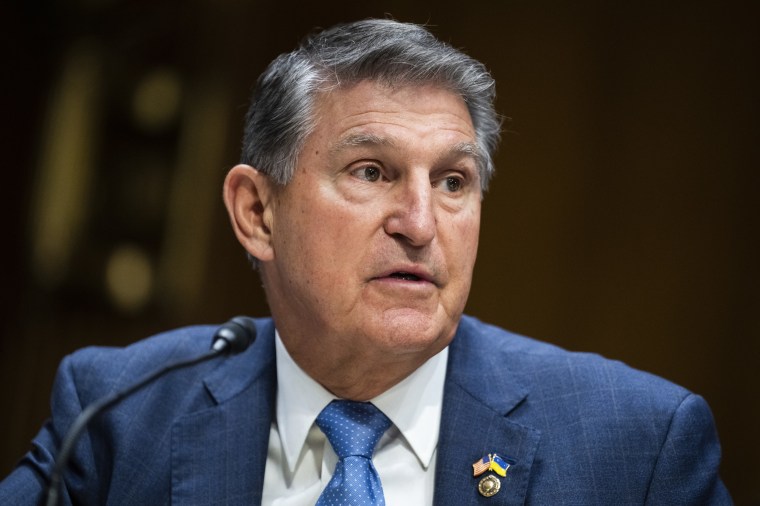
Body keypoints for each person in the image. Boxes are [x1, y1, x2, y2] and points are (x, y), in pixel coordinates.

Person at [1, 19, 731, 505]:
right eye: (372, 172)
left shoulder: (636, 448)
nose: (420, 224)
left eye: (453, 182)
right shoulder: (118, 415)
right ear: (257, 213)